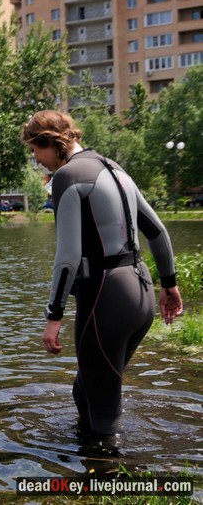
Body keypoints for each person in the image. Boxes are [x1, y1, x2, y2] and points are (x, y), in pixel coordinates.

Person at [20, 110, 183, 436]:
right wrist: (169, 285)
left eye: (34, 150)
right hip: (140, 296)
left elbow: (67, 257)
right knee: (86, 391)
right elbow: (158, 232)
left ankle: (111, 479)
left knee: (104, 414)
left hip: (106, 301)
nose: (34, 158)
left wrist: (54, 316)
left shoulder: (67, 178)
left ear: (49, 142)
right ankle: (92, 468)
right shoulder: (115, 169)